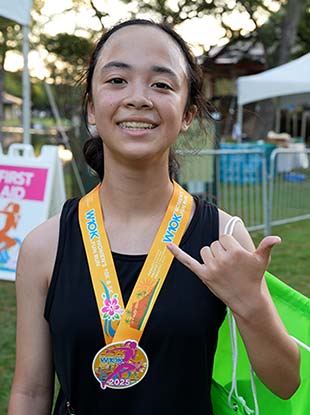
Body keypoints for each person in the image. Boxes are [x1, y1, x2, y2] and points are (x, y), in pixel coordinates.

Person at [8, 19, 300, 415]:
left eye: (161, 84)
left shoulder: (223, 236)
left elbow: (285, 384)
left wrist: (251, 303)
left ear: (187, 114)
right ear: (92, 108)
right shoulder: (46, 244)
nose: (138, 98)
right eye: (117, 80)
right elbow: (30, 392)